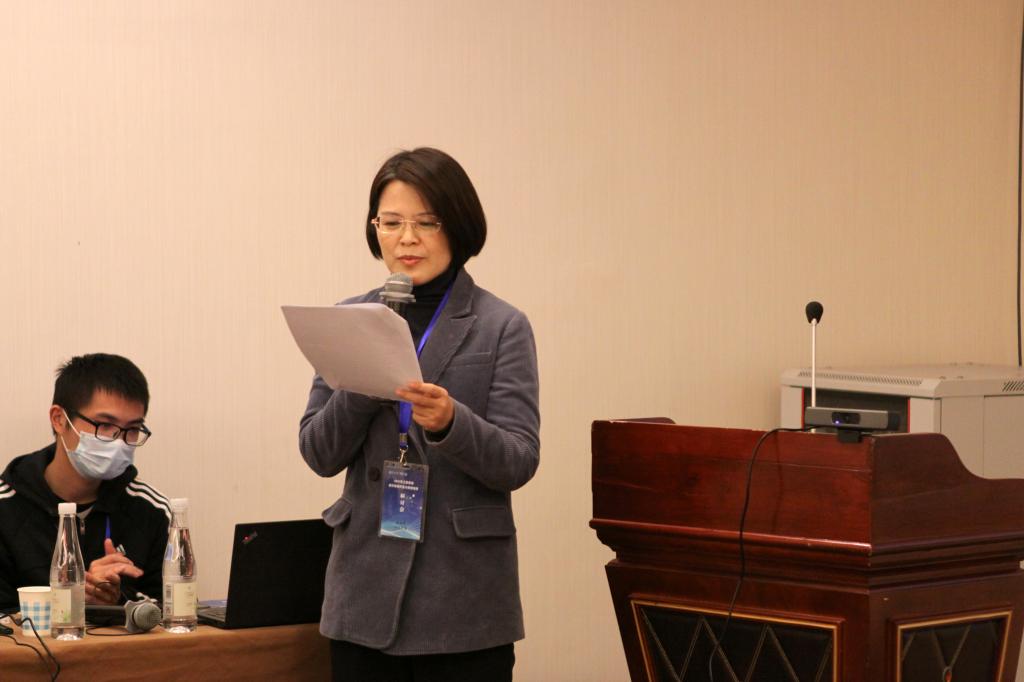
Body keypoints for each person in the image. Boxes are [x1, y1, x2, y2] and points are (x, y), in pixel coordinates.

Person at [299, 147, 540, 681]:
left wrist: (453, 422)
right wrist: (363, 381)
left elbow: (519, 459)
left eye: (426, 222)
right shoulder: (347, 319)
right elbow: (318, 452)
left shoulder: (501, 325)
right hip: (362, 595)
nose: (407, 238)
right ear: (375, 229)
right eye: (391, 223)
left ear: (458, 225)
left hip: (464, 601)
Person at [0, 353, 170, 612]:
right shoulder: (5, 509)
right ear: (59, 419)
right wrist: (72, 601)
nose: (119, 442)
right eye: (105, 425)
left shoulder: (152, 510)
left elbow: (176, 610)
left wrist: (116, 601)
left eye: (133, 429)